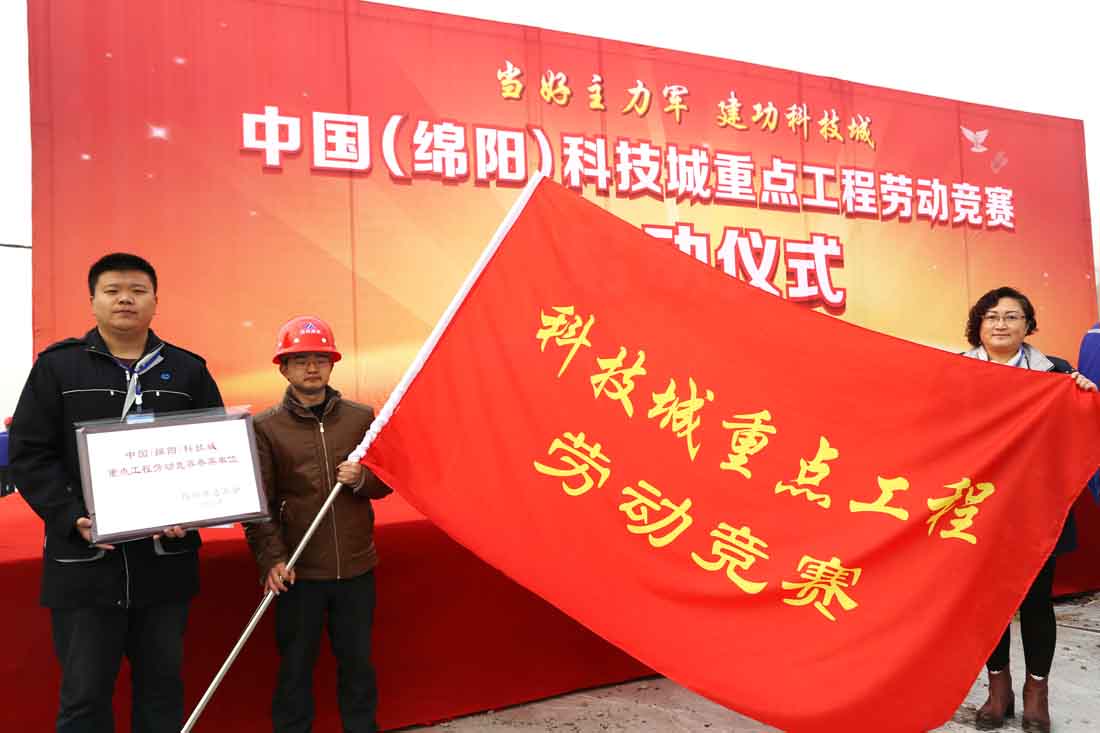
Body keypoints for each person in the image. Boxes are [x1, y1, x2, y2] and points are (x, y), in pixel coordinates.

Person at [9, 252, 224, 732]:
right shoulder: (58, 368)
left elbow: (213, 451)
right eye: (112, 291)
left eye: (137, 290)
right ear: (93, 301)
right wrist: (71, 515)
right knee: (84, 699)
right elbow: (29, 454)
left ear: (155, 301)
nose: (125, 299)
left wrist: (194, 508)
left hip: (164, 564)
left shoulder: (188, 370)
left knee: (162, 695)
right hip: (84, 566)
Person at [244, 315, 391, 733]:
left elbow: (387, 481)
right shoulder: (265, 427)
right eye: (300, 360)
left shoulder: (361, 417)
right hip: (298, 572)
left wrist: (362, 479)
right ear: (283, 368)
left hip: (356, 569)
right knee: (294, 669)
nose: (312, 368)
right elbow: (259, 506)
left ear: (332, 364)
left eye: (321, 359)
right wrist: (271, 560)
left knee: (358, 666)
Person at [962, 286, 1096, 732]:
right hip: (979, 508)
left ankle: (1036, 692)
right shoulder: (958, 371)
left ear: (1027, 325)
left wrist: (1086, 394)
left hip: (1038, 505)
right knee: (988, 603)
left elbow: (1079, 430)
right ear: (979, 325)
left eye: (1012, 316)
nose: (1001, 324)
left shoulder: (1056, 372)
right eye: (992, 316)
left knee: (1037, 600)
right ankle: (997, 689)